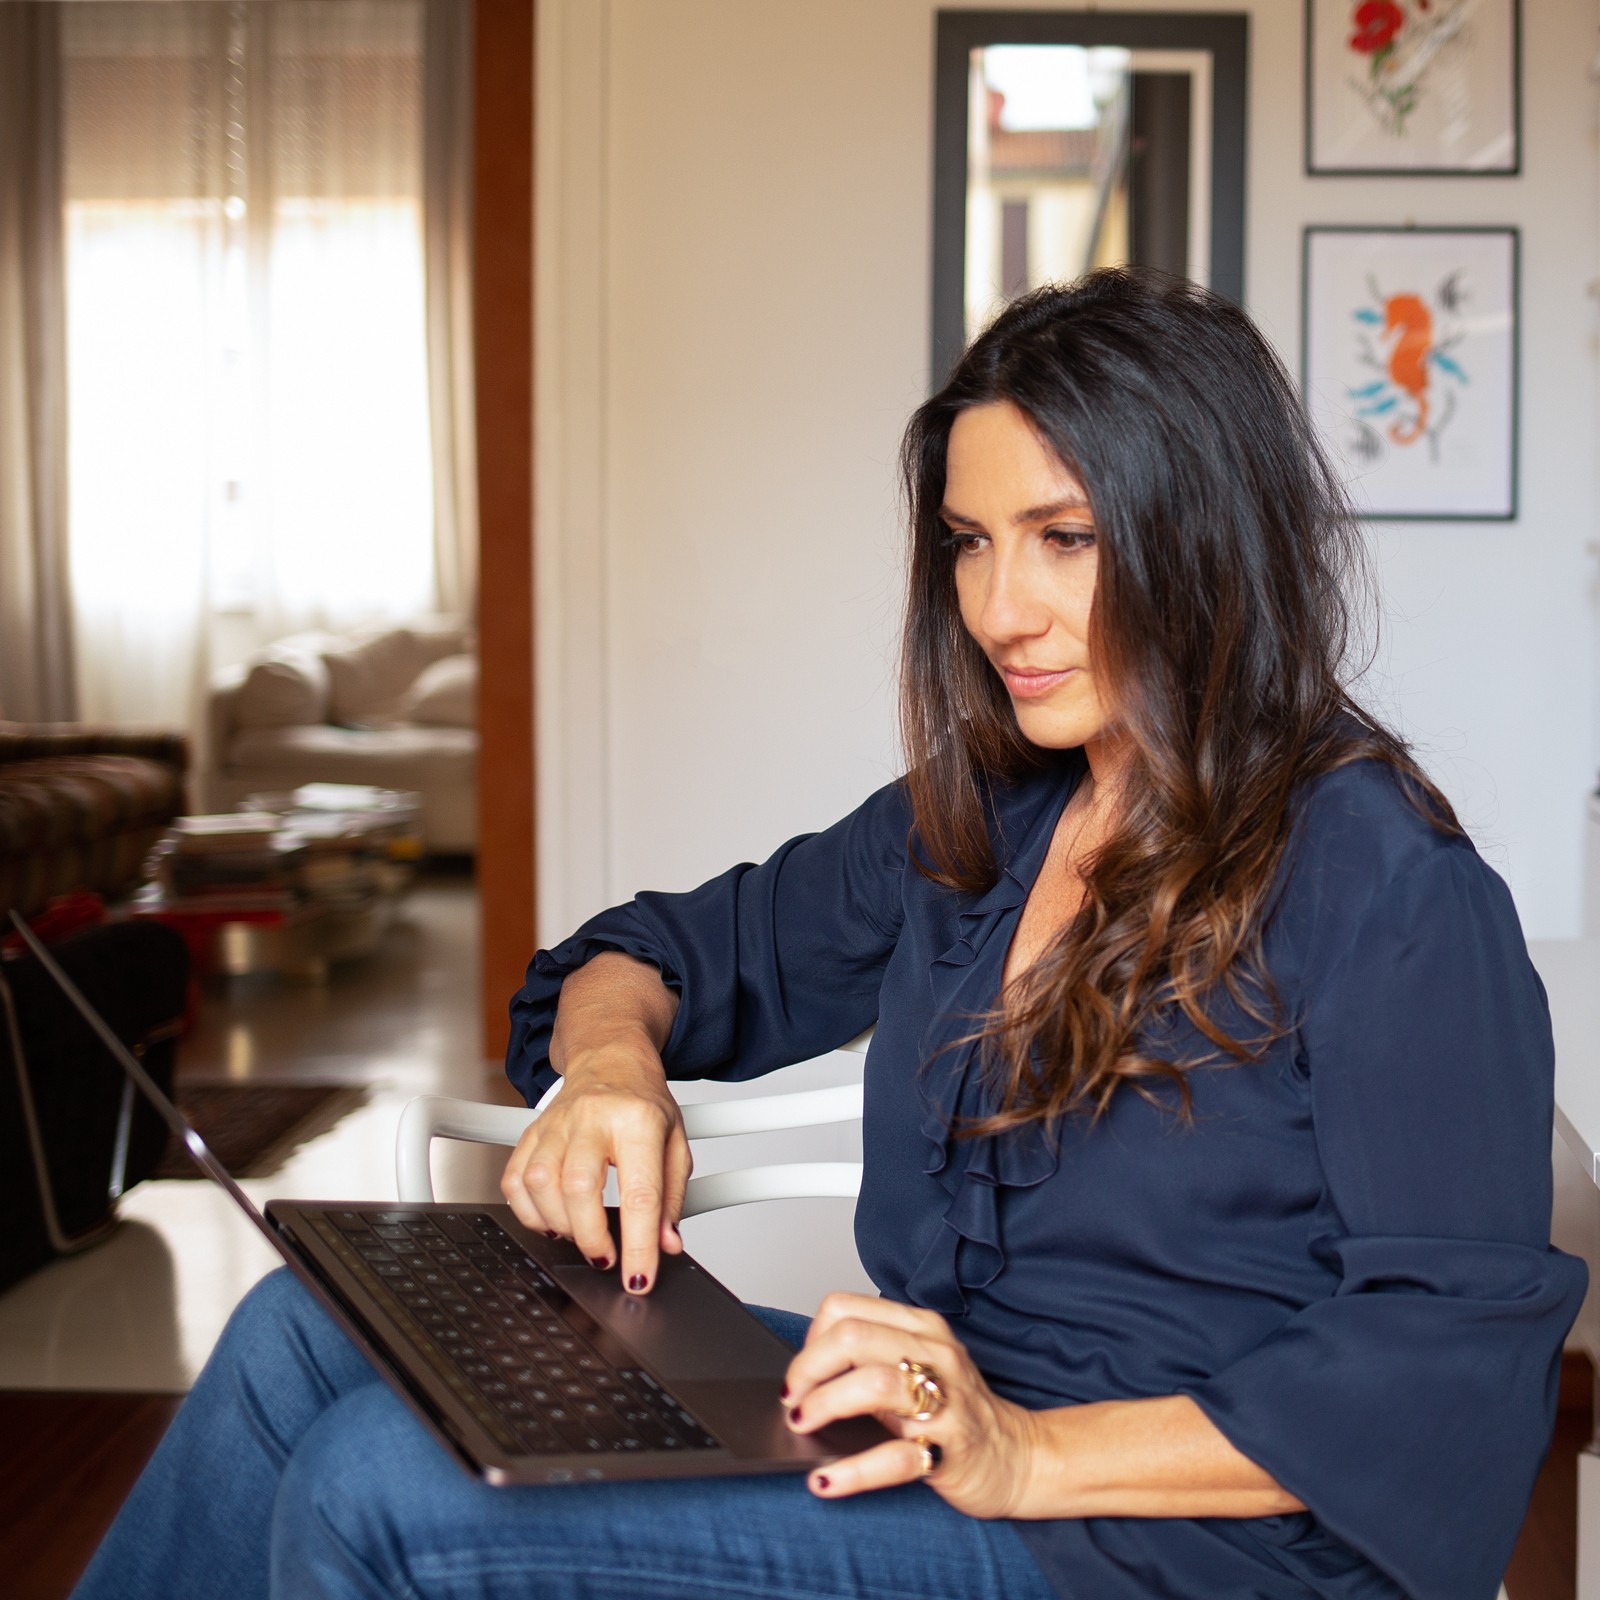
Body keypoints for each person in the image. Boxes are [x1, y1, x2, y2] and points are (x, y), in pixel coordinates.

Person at [75, 269, 1582, 1600]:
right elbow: (657, 950)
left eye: (1064, 537)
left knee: (375, 1495)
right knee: (299, 1337)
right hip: (943, 1418)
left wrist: (1027, 1452)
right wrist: (609, 1071)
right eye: (970, 543)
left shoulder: (1385, 878)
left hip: (1159, 1534)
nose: (1002, 608)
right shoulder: (986, 817)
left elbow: (1448, 1357)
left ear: (1205, 536)